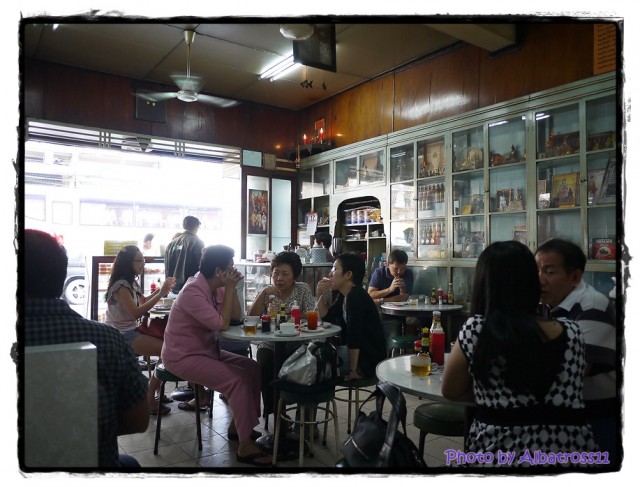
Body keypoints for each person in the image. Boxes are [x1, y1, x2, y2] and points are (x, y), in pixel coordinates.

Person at [442, 241, 596, 465]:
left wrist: (494, 396)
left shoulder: (477, 329)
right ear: (532, 281)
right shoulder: (573, 332)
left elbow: (450, 390)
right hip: (571, 451)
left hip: (499, 452)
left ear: (484, 283)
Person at [24, 229, 149, 468]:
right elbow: (138, 421)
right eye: (139, 260)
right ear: (60, 275)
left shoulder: (127, 285)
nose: (143, 264)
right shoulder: (108, 339)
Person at [161, 245, 271, 466]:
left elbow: (236, 317)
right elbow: (221, 324)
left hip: (206, 351)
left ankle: (239, 427)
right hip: (182, 357)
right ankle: (244, 446)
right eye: (230, 267)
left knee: (252, 368)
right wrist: (229, 288)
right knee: (237, 379)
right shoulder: (193, 291)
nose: (233, 270)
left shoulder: (217, 288)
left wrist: (233, 288)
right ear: (219, 271)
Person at [535, 238, 617, 457]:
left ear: (575, 277)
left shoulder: (592, 306)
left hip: (596, 415)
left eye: (549, 272)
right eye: (536, 271)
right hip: (562, 412)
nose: (540, 280)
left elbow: (572, 373)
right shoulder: (546, 304)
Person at [104, 245, 176, 415]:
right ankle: (150, 397)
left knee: (168, 347)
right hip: (122, 335)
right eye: (139, 260)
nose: (143, 264)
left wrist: (161, 290)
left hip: (131, 330)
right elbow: (136, 312)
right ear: (128, 263)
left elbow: (142, 300)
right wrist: (161, 293)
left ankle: (156, 391)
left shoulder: (130, 282)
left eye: (143, 260)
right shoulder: (121, 285)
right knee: (168, 350)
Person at [248, 251, 315, 417]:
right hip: (270, 342)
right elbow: (251, 318)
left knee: (306, 365)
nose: (279, 278)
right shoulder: (267, 291)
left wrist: (293, 315)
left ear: (294, 276)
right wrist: (264, 293)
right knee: (264, 363)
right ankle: (278, 414)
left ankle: (303, 415)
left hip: (298, 342)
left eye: (285, 274)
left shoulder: (302, 289)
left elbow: (311, 314)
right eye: (276, 273)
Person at [316, 252, 388, 381]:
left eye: (335, 269)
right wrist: (319, 294)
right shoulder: (344, 294)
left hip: (369, 361)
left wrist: (353, 371)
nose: (330, 273)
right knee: (319, 357)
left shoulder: (356, 296)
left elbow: (354, 336)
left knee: (320, 363)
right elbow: (327, 316)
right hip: (359, 354)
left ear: (348, 275)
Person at [164, 215, 205, 294]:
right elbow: (202, 265)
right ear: (196, 226)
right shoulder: (197, 242)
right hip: (191, 287)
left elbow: (166, 267)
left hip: (174, 287)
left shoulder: (172, 243)